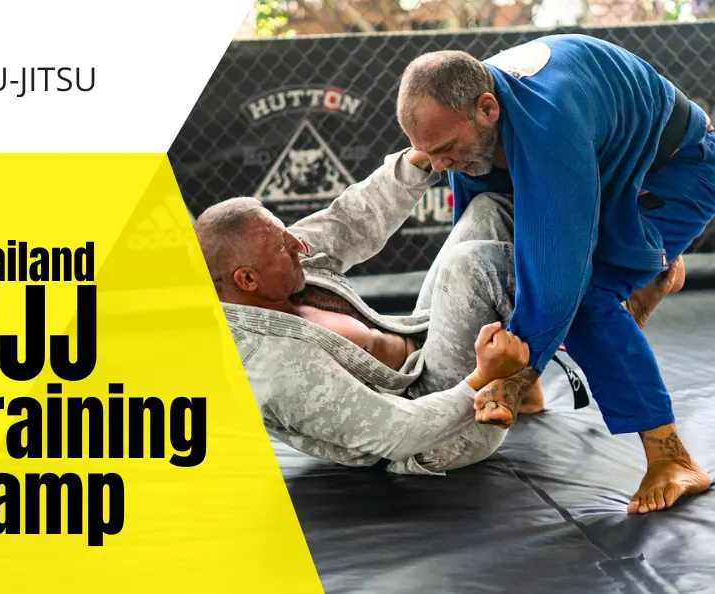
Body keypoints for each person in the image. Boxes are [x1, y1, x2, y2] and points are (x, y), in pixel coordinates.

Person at [194, 148, 673, 476]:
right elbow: (398, 433)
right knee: (474, 266)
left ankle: (528, 385)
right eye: (283, 245)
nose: (298, 243)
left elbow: (348, 222)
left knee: (487, 208)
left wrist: (418, 158)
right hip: (440, 436)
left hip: (424, 352)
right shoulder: (271, 366)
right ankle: (612, 301)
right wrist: (481, 378)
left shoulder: (276, 269)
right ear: (246, 281)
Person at [396, 33, 714, 512]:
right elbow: (482, 227)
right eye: (428, 152)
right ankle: (645, 262)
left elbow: (560, 273)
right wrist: (515, 356)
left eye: (443, 149)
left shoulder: (547, 119)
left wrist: (518, 372)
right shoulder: (466, 113)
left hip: (677, 170)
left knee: (588, 297)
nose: (438, 165)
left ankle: (673, 457)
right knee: (500, 226)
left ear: (487, 108)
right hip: (606, 165)